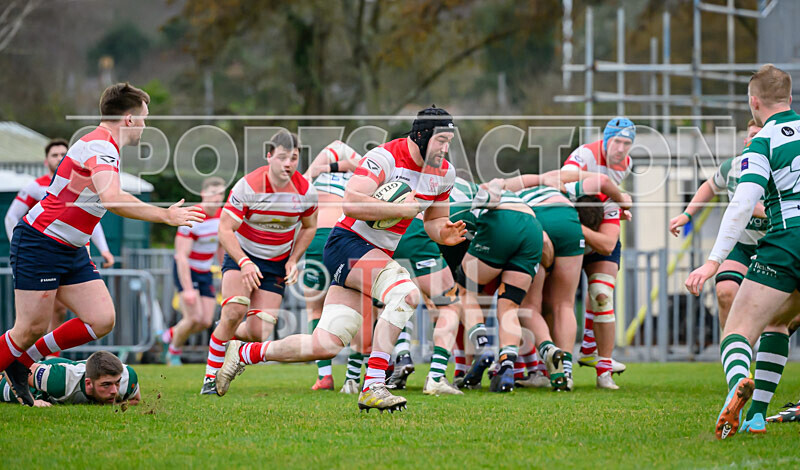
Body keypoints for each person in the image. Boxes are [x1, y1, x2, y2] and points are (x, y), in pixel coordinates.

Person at [214, 106, 465, 412]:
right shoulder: (385, 157)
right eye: (441, 140)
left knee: (325, 344)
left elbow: (433, 221)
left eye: (449, 140)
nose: (445, 148)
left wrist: (444, 233)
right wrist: (401, 210)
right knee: (406, 293)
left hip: (372, 254)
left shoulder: (445, 173)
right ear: (422, 137)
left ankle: (244, 354)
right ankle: (373, 385)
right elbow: (351, 203)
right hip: (346, 243)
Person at [0, 82, 205, 406]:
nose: (144, 125)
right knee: (28, 329)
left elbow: (95, 202)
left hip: (71, 248)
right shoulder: (100, 146)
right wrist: (165, 216)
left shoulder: (105, 147)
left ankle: (21, 363)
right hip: (40, 241)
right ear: (128, 119)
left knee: (101, 319)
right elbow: (112, 199)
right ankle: (15, 360)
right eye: (143, 118)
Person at [685, 64, 800, 439]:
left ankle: (738, 383)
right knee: (779, 323)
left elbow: (741, 204)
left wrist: (711, 262)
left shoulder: (762, 142)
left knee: (737, 330)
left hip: (785, 243)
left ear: (754, 102)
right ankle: (756, 416)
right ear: (790, 97)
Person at [200, 130, 318, 395]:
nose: (288, 164)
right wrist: (243, 262)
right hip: (243, 256)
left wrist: (293, 260)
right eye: (283, 157)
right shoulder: (249, 186)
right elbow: (225, 229)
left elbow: (310, 227)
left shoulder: (306, 191)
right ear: (269, 156)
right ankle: (210, 378)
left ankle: (225, 338)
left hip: (276, 264)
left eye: (294, 158)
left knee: (258, 332)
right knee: (233, 311)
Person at [4, 139, 115, 350]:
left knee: (60, 312)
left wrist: (105, 250)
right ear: (46, 161)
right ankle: (20, 358)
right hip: (40, 254)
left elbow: (90, 220)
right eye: (54, 155)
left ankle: (43, 360)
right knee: (32, 325)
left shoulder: (79, 184)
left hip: (69, 253)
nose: (59, 158)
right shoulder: (35, 186)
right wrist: (19, 252)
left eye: (63, 154)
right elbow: (11, 217)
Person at [560, 117, 635, 383]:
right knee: (557, 301)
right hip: (571, 221)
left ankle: (601, 367)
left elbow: (609, 197)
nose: (621, 148)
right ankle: (544, 365)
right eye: (617, 141)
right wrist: (603, 184)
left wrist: (614, 206)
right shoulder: (585, 154)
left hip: (599, 220)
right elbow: (562, 180)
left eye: (627, 143)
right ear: (605, 139)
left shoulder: (626, 164)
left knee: (602, 294)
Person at [670, 120, 764, 327]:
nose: (755, 140)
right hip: (741, 246)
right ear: (745, 140)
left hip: (775, 245)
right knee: (725, 291)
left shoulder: (785, 171)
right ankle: (731, 349)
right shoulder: (734, 166)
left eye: (761, 135)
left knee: (780, 311)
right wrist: (687, 214)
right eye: (752, 135)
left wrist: (762, 211)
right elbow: (710, 185)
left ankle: (759, 340)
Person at [302, 141, 362, 391]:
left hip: (318, 237)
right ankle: (353, 377)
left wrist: (323, 166)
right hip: (345, 237)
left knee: (315, 310)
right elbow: (351, 155)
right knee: (357, 310)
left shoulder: (314, 178)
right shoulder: (360, 179)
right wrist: (343, 163)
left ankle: (324, 376)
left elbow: (331, 148)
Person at [159, 177, 227, 365]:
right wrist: (188, 289)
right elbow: (181, 256)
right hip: (186, 270)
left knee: (205, 321)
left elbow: (221, 247)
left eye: (220, 193)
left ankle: (168, 334)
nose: (216, 198)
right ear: (203, 194)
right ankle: (173, 352)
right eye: (213, 194)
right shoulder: (193, 216)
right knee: (193, 318)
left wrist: (225, 274)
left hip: (205, 271)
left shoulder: (222, 216)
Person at [0, 350, 139, 406]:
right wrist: (29, 402)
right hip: (35, 383)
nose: (115, 391)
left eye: (117, 383)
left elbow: (136, 400)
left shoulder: (127, 378)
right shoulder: (61, 381)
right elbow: (14, 366)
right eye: (106, 385)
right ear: (88, 383)